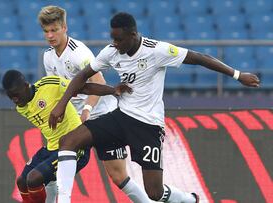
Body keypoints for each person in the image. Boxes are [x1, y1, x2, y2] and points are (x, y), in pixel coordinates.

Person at [48, 12, 260, 203]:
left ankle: (188, 200)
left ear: (133, 34)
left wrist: (238, 75)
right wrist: (61, 104)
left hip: (148, 125)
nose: (115, 43)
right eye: (112, 38)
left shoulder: (157, 50)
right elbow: (82, 76)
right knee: (69, 142)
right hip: (121, 117)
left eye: (119, 39)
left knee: (154, 192)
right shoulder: (111, 52)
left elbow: (200, 58)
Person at [38, 6, 153, 203]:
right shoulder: (48, 56)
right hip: (74, 120)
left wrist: (87, 110)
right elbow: (58, 89)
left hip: (101, 115)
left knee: (119, 177)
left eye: (54, 30)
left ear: (64, 27)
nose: (50, 35)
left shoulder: (78, 53)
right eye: (46, 31)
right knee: (49, 169)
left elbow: (98, 82)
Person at [2, 70, 131, 203]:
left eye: (16, 95)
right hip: (52, 148)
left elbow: (83, 88)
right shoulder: (21, 107)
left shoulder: (49, 85)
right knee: (22, 182)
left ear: (26, 85)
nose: (15, 100)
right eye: (11, 97)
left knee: (33, 179)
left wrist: (112, 90)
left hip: (75, 146)